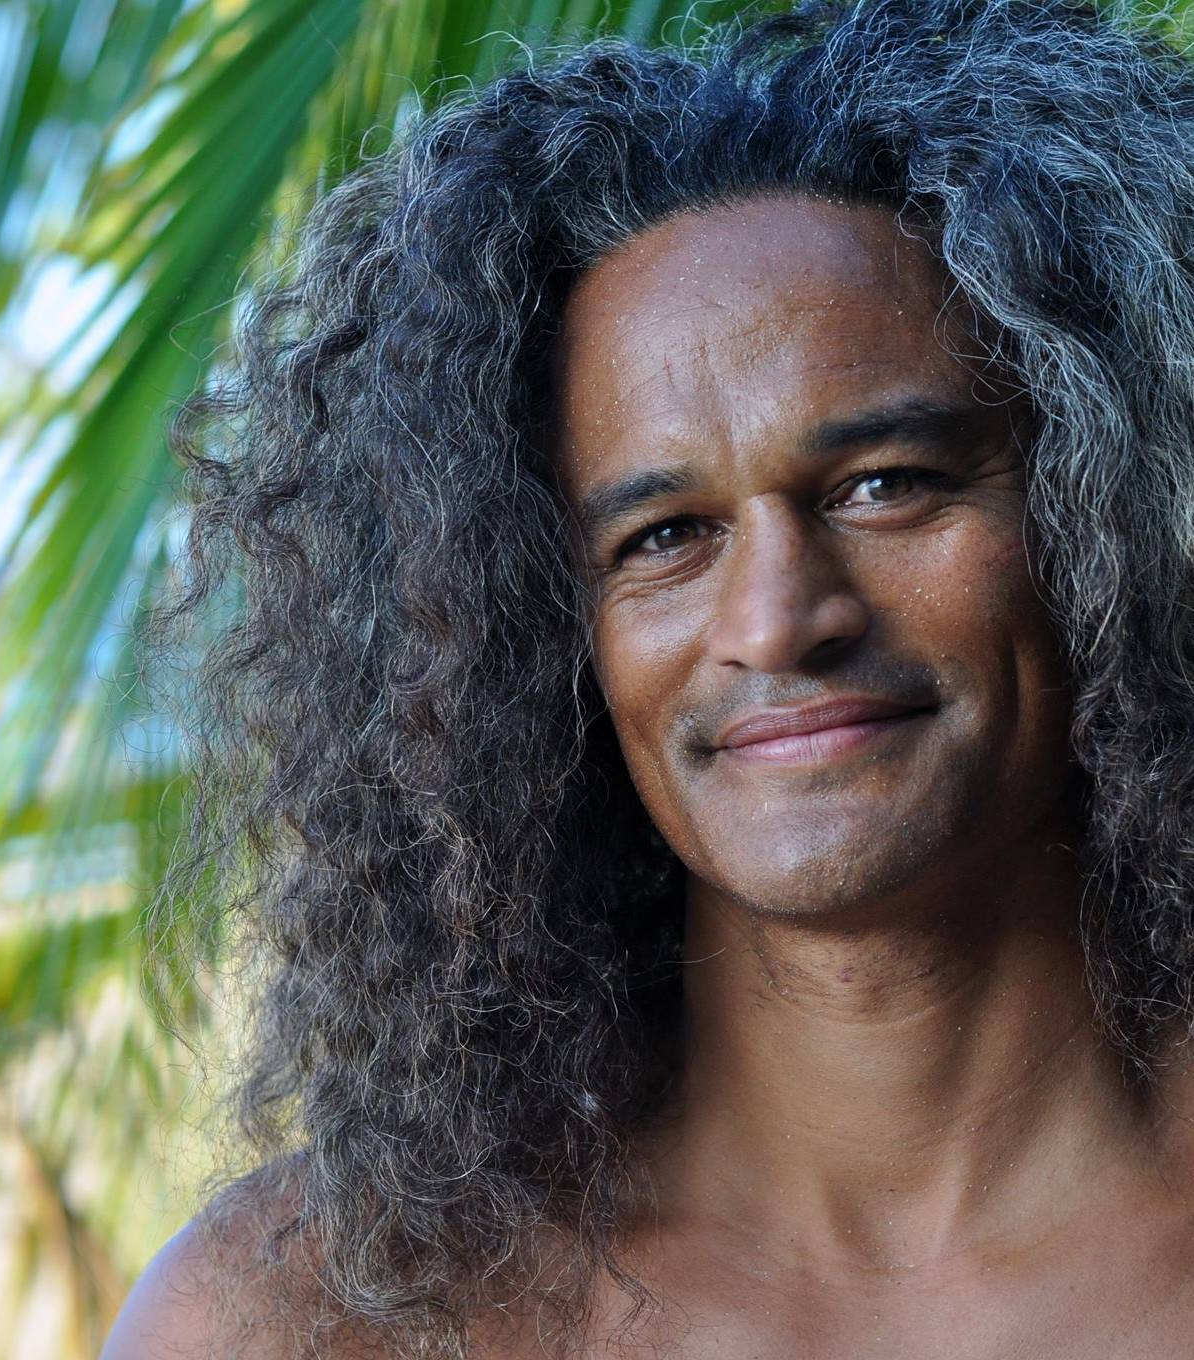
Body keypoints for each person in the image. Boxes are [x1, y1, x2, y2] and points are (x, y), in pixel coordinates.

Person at [103, 2, 1194, 1356]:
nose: (776, 623)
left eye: (885, 485)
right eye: (664, 538)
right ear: (535, 642)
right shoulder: (314, 1317)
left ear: (1116, 511)